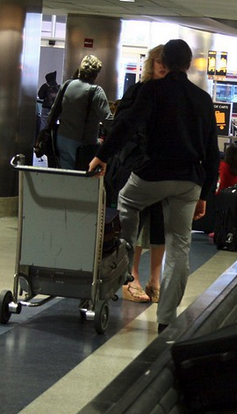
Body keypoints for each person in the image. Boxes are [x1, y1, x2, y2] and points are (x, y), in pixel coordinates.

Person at [89, 39, 220, 334]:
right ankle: (166, 317)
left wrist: (101, 156)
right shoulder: (202, 99)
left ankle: (124, 265)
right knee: (179, 246)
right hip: (189, 181)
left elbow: (126, 126)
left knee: (127, 202)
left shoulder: (151, 90)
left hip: (152, 174)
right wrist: (206, 194)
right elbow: (212, 151)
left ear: (166, 61)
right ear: (187, 64)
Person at [109, 45, 168, 304]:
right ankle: (131, 277)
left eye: (167, 62)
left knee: (159, 224)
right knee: (135, 223)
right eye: (159, 61)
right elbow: (122, 128)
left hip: (163, 168)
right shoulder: (138, 92)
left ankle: (155, 278)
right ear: (151, 63)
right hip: (137, 166)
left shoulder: (173, 96)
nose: (163, 66)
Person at [52, 55, 112, 169]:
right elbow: (108, 120)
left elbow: (53, 111)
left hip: (62, 139)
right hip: (83, 144)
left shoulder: (67, 85)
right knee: (84, 180)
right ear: (96, 73)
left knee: (66, 175)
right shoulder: (96, 91)